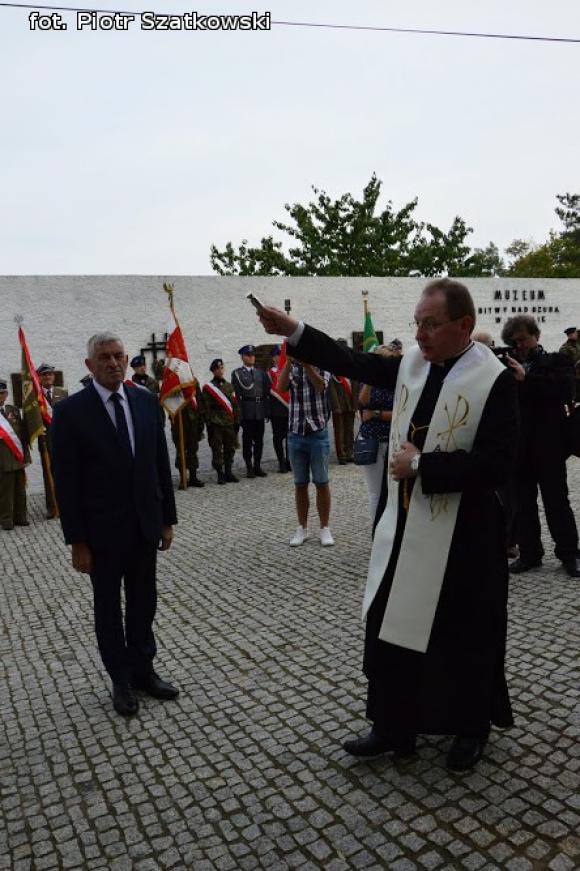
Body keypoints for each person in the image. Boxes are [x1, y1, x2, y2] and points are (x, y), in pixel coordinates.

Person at [259, 278, 519, 770]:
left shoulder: (495, 380)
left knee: (463, 631)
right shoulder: (412, 367)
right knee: (390, 623)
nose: (420, 334)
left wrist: (424, 466)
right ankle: (393, 723)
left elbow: (500, 464)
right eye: (417, 323)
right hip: (403, 522)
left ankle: (469, 726)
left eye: (431, 324)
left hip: (466, 533)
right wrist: (295, 331)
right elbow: (354, 364)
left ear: (464, 326)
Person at [51, 332, 178, 717]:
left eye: (119, 355)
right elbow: (67, 482)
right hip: (102, 535)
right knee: (109, 609)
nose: (113, 362)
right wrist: (77, 541)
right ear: (90, 365)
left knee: (143, 604)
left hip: (143, 527)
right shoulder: (71, 413)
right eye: (104, 357)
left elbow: (159, 464)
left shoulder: (144, 401)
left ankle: (144, 670)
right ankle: (120, 680)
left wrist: (167, 519)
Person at [501, 315, 580, 578]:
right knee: (523, 504)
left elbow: (563, 390)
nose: (519, 345)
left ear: (536, 335)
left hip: (550, 444)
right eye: (514, 341)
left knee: (557, 501)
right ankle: (530, 553)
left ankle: (569, 554)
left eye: (523, 339)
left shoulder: (557, 360)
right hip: (519, 446)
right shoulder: (506, 367)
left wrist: (527, 379)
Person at [277, 352, 334, 547]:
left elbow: (321, 386)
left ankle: (325, 528)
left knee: (321, 481)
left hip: (318, 432)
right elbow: (280, 387)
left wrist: (307, 365)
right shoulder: (291, 367)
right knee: (300, 483)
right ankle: (302, 527)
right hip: (295, 433)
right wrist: (289, 363)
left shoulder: (322, 364)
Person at [358, 343, 401, 521]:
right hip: (371, 440)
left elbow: (400, 413)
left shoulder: (399, 383)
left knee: (395, 489)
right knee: (375, 492)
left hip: (394, 439)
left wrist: (376, 413)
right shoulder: (370, 383)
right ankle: (377, 531)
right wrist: (370, 378)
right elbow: (362, 403)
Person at [231, 344, 271, 478]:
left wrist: (266, 410)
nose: (252, 357)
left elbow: (266, 391)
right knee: (247, 440)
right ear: (243, 357)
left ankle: (257, 465)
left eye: (253, 355)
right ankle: (249, 467)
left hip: (259, 410)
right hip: (247, 410)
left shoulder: (261, 373)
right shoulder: (237, 373)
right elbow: (237, 394)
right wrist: (239, 414)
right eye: (249, 355)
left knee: (259, 440)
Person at [37, 362, 69, 519]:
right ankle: (52, 507)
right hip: (45, 441)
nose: (47, 377)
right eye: (44, 375)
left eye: (49, 374)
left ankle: (66, 505)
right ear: (39, 378)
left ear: (53, 376)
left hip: (63, 440)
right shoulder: (35, 397)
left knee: (65, 473)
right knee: (48, 474)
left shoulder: (62, 393)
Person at [203, 358, 240, 484]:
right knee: (217, 449)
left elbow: (234, 404)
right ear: (213, 371)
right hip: (216, 422)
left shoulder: (229, 386)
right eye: (217, 368)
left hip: (229, 422)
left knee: (230, 448)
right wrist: (209, 423)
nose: (220, 370)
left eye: (221, 368)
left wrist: (237, 420)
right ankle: (220, 473)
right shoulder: (209, 388)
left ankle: (229, 472)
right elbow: (206, 407)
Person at [0, 379, 30, 530]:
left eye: (2, 393)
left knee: (20, 490)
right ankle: (6, 519)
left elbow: (22, 434)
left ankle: (20, 516)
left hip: (17, 457)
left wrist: (26, 456)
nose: (0, 396)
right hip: (2, 459)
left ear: (6, 394)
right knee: (5, 491)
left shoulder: (13, 410)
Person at [170, 379, 205, 489]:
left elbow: (199, 399)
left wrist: (201, 418)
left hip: (193, 420)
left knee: (193, 449)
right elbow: (169, 401)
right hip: (180, 421)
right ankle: (183, 478)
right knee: (181, 450)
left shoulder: (193, 381)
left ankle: (193, 477)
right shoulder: (173, 381)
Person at [329, 339, 357, 465]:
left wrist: (355, 403)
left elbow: (354, 385)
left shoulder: (350, 365)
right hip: (339, 403)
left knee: (349, 429)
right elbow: (331, 387)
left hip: (349, 402)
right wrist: (336, 405)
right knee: (339, 431)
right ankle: (342, 455)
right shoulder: (332, 366)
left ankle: (350, 452)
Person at [268, 346, 291, 473]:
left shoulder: (287, 371)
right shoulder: (270, 372)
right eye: (277, 354)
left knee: (289, 437)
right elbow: (268, 392)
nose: (280, 357)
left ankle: (289, 461)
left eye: (281, 354)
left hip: (289, 408)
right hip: (276, 410)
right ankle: (281, 462)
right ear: (273, 357)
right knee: (278, 437)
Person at [559, 327, 580, 400]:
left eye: (576, 333)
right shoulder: (565, 348)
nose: (576, 334)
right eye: (574, 333)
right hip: (575, 378)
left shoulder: (578, 342)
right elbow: (564, 365)